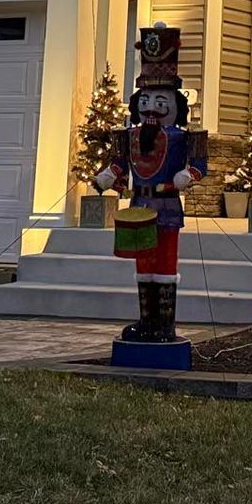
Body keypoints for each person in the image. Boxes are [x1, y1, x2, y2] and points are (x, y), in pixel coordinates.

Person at [94, 23, 207, 343]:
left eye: (161, 99)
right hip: (139, 205)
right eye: (146, 98)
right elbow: (120, 163)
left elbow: (200, 165)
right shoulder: (128, 136)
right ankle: (146, 322)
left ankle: (166, 325)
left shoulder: (185, 137)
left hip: (168, 206)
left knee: (165, 263)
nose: (152, 106)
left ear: (176, 104)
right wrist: (109, 174)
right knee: (143, 264)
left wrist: (188, 176)